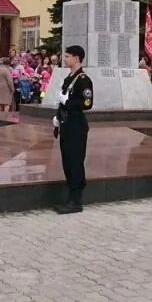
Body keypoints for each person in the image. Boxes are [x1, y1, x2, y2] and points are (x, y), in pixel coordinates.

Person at [51, 45, 94, 214]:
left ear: (77, 58)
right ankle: (70, 198)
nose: (65, 59)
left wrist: (67, 102)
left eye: (68, 56)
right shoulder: (70, 77)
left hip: (76, 126)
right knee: (67, 162)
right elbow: (63, 101)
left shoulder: (83, 80)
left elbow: (87, 103)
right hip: (67, 124)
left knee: (75, 162)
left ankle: (76, 201)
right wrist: (57, 117)